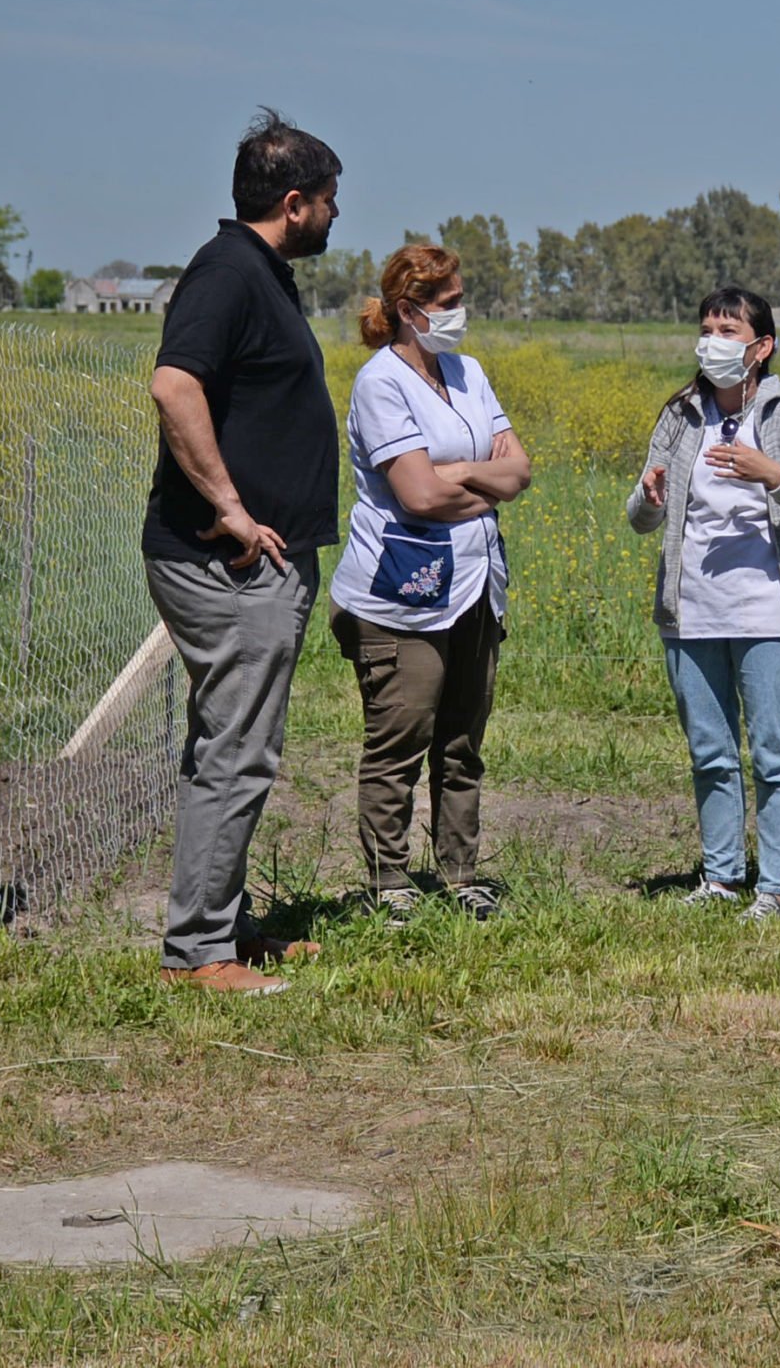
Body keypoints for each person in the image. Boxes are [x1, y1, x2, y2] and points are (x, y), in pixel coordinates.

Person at [141, 108, 344, 995]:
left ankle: (220, 924)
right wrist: (228, 506)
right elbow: (173, 383)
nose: (338, 217)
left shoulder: (257, 272)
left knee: (228, 743)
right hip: (227, 563)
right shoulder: (229, 273)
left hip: (253, 558)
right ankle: (198, 955)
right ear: (294, 203)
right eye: (332, 201)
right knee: (238, 751)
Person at [327, 246, 531, 925]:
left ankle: (460, 871)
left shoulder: (467, 373)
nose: (459, 313)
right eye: (448, 303)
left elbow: (520, 471)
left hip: (475, 583)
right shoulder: (380, 383)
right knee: (401, 738)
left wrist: (458, 477)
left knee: (462, 739)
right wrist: (482, 477)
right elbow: (414, 494)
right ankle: (390, 881)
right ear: (410, 311)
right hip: (401, 593)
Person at [625, 287, 780, 921]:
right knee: (710, 752)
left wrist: (772, 474)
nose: (714, 341)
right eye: (707, 329)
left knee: (774, 752)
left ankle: (773, 888)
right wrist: (650, 494)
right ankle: (721, 877)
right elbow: (639, 518)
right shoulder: (681, 413)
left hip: (768, 613)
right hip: (691, 612)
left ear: (761, 347)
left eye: (728, 331)